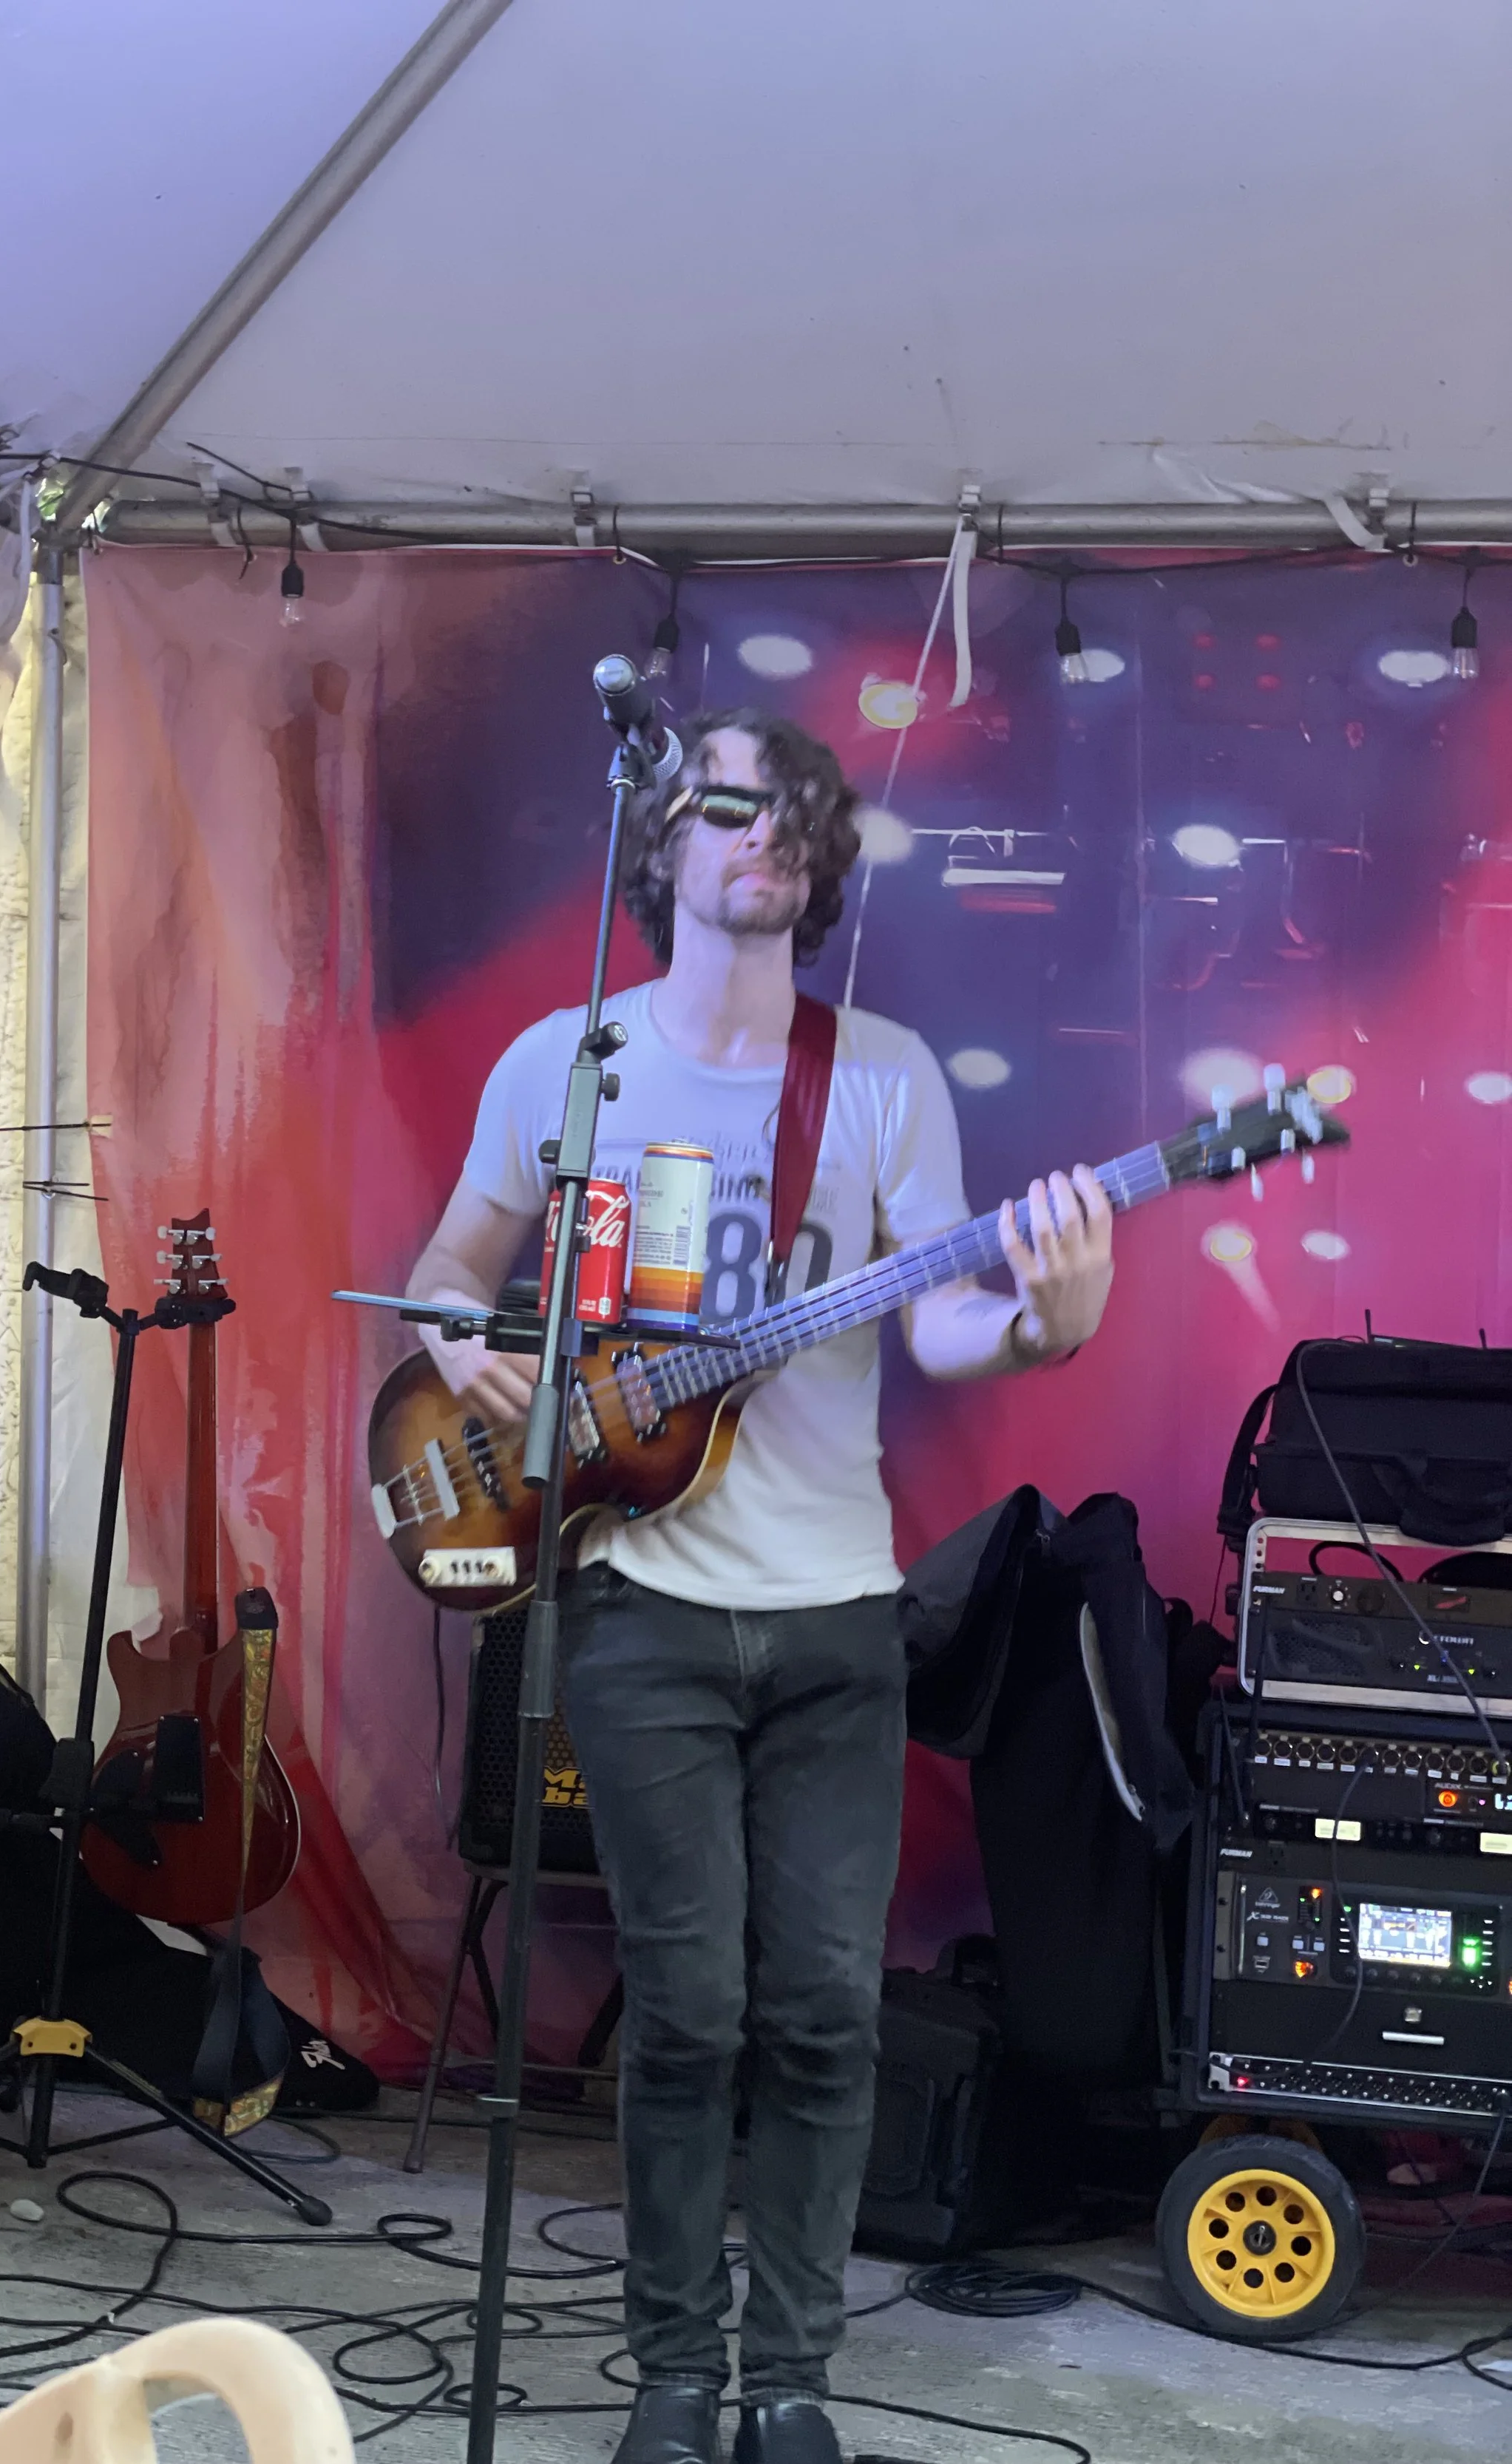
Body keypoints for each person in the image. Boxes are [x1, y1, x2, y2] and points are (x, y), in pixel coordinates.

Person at [405, 709, 1116, 2464]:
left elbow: (935, 1319)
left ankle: (788, 2383)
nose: (764, 830)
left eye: (795, 807)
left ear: (821, 857)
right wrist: (456, 1340)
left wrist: (1041, 1319)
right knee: (685, 2011)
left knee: (819, 2013)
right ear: (660, 838)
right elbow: (447, 1264)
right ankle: (671, 2375)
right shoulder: (566, 1061)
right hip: (635, 1606)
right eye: (728, 801)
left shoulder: (877, 1074)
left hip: (833, 1619)